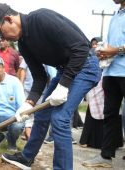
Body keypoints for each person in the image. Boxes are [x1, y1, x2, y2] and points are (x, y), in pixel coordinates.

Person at [0, 4, 101, 170]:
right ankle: (26, 157)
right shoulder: (23, 44)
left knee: (60, 118)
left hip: (86, 65)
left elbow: (81, 48)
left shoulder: (42, 19)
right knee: (42, 114)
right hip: (65, 70)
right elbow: (39, 77)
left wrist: (64, 85)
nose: (4, 38)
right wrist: (28, 103)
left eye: (1, 33)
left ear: (9, 19)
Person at [82, 0, 125, 167]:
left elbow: (116, 48)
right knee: (110, 116)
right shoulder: (115, 16)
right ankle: (105, 157)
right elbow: (109, 44)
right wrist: (103, 52)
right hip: (111, 71)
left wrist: (116, 50)